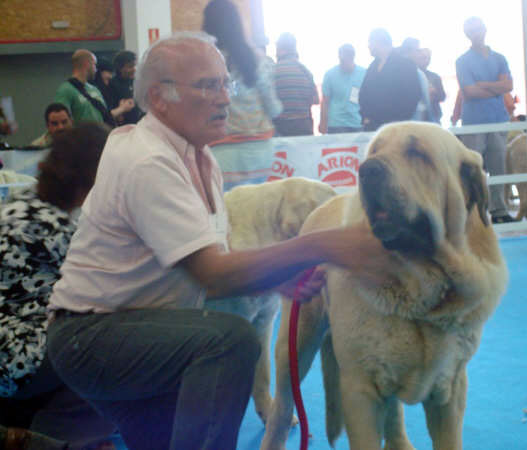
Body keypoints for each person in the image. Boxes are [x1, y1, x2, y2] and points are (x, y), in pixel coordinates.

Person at [45, 32, 385, 450]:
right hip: (93, 338)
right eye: (209, 85)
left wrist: (276, 279)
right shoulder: (149, 160)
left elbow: (215, 261)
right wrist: (324, 245)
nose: (225, 98)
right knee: (231, 340)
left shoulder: (199, 158)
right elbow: (213, 276)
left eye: (228, 84)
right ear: (159, 97)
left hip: (122, 334)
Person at [0, 123, 117, 448]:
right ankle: (57, 433)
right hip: (17, 365)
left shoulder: (19, 206)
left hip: (9, 353)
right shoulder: (63, 231)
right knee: (116, 341)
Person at [202, 0, 282, 189]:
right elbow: (273, 108)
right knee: (257, 211)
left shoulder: (205, 59)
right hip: (261, 151)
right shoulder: (257, 59)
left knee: (226, 212)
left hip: (221, 150)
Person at [455, 16, 515, 223]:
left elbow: (508, 86)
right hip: (474, 122)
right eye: (471, 30)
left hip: (498, 119)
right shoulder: (462, 61)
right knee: (473, 169)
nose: (476, 33)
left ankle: (499, 211)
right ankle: (472, 213)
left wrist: (484, 85)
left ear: (485, 29)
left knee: (499, 166)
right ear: (466, 34)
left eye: (478, 28)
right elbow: (469, 92)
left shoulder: (499, 58)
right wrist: (495, 87)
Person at [359, 29, 421, 131]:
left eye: (370, 42)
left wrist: (399, 121)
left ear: (379, 41)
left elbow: (413, 95)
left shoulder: (405, 64)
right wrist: (365, 117)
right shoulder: (372, 67)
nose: (368, 46)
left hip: (397, 126)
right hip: (372, 126)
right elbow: (363, 94)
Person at [54, 49, 134, 127]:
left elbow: (106, 115)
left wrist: (121, 109)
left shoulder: (94, 90)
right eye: (94, 65)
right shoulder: (66, 90)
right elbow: (60, 120)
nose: (96, 70)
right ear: (87, 64)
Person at [272, 32, 319, 136]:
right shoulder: (305, 71)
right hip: (303, 127)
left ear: (280, 49)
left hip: (280, 129)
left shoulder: (273, 71)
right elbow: (315, 100)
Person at [318, 43, 366, 134]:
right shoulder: (330, 74)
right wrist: (323, 123)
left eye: (345, 59)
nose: (343, 62)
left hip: (357, 123)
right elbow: (325, 101)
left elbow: (368, 99)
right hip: (336, 124)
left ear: (352, 57)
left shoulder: (364, 73)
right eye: (341, 59)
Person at [108, 50, 143, 125]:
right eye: (130, 66)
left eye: (135, 65)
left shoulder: (137, 81)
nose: (134, 69)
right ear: (120, 68)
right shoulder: (112, 85)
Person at [417, 48, 446, 124]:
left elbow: (442, 96)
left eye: (428, 58)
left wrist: (434, 92)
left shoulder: (435, 77)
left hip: (434, 116)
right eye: (423, 57)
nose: (426, 60)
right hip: (417, 117)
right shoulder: (412, 76)